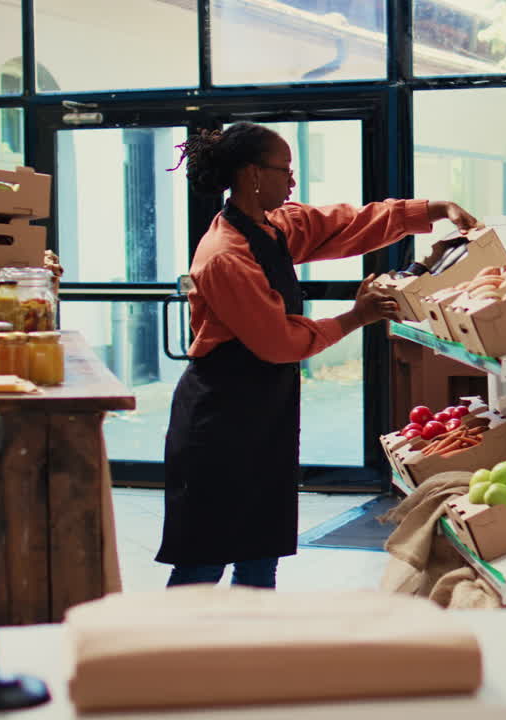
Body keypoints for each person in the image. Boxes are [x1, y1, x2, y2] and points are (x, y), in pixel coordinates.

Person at [156, 121, 478, 589]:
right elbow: (278, 341)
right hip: (219, 419)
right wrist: (357, 316)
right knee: (205, 557)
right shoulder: (224, 254)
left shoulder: (275, 227)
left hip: (265, 412)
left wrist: (436, 208)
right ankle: (174, 659)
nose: (292, 181)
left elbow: (348, 223)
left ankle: (253, 651)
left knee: (260, 548)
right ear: (251, 175)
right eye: (284, 170)